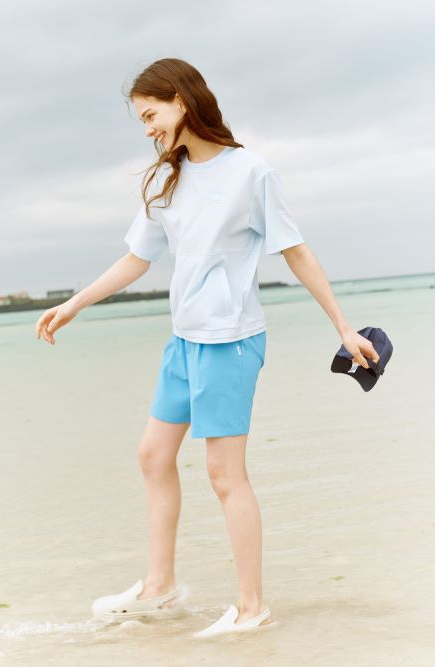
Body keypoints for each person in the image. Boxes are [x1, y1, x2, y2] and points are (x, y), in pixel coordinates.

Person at [35, 58, 379, 637]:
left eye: (151, 115)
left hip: (231, 342)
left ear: (180, 100)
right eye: (142, 120)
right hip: (184, 340)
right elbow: (137, 259)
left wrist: (343, 327)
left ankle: (251, 607)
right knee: (153, 455)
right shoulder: (167, 181)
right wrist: (74, 304)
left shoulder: (251, 173)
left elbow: (295, 251)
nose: (148, 129)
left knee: (224, 474)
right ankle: (160, 587)